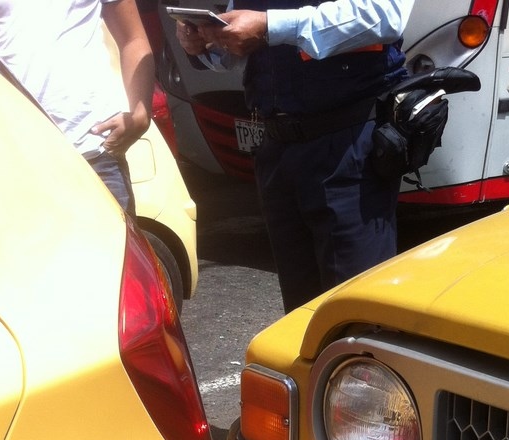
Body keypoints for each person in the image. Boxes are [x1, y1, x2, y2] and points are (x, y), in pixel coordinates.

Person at [175, 0, 415, 311]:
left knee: (356, 308)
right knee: (301, 311)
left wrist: (269, 25)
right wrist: (208, 40)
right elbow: (247, 34)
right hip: (278, 146)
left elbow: (385, 16)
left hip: (348, 140)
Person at [0, 0, 155, 215]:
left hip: (95, 154)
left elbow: (133, 38)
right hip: (11, 163)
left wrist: (141, 112)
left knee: (117, 249)